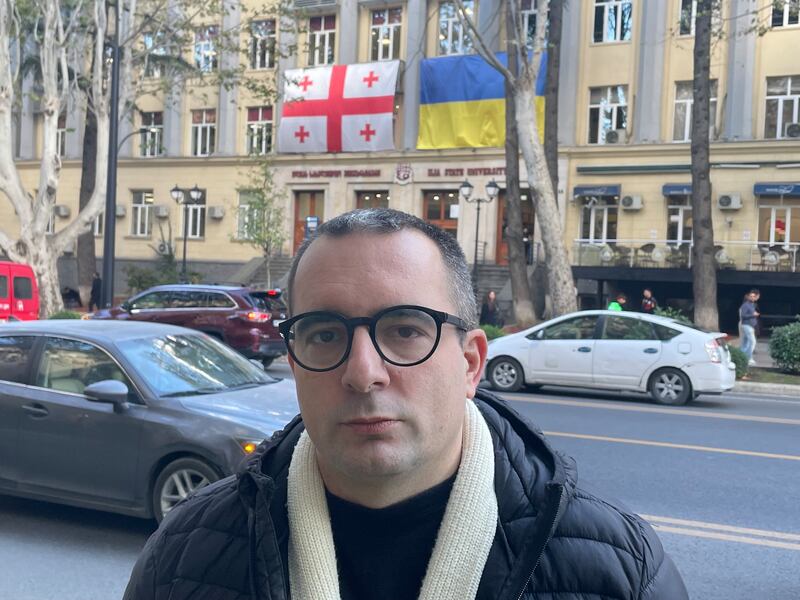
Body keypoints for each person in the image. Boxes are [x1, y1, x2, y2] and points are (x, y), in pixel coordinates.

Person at [124, 209, 688, 600]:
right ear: (292, 362)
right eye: (324, 334)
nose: (363, 373)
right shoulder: (185, 555)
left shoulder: (619, 572)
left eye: (405, 330)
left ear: (470, 363)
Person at [739, 290, 760, 366]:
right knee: (752, 342)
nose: (752, 297)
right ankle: (748, 359)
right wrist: (753, 315)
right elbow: (743, 316)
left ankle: (740, 357)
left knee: (746, 343)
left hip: (751, 326)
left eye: (754, 296)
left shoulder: (752, 305)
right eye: (751, 296)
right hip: (747, 325)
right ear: (748, 297)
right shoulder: (745, 305)